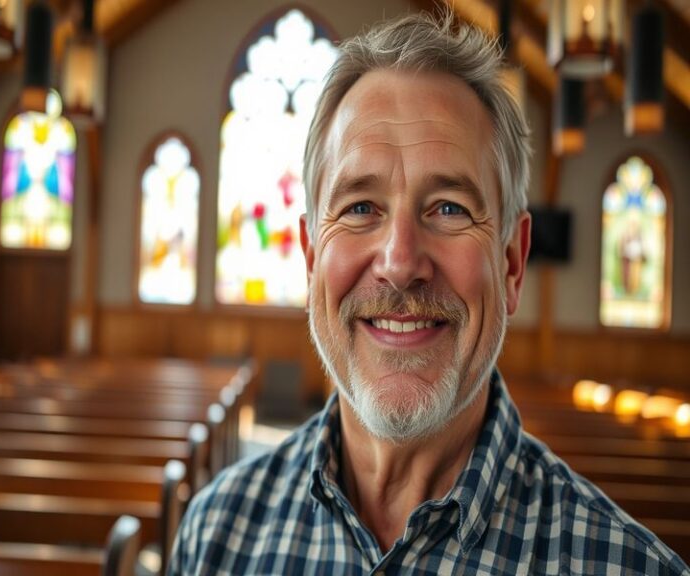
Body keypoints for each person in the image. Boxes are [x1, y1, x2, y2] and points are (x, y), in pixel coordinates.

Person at [169, 10, 689, 575]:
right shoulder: (213, 536)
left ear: (512, 263)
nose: (399, 263)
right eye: (360, 208)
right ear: (312, 256)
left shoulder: (627, 568)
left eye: (448, 208)